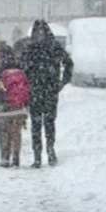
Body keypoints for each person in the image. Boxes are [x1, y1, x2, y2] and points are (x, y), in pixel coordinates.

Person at [22, 20, 74, 168]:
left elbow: (22, 68)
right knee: (45, 123)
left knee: (40, 124)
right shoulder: (53, 46)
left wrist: (62, 82)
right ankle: (46, 153)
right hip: (46, 90)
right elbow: (68, 63)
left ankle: (41, 155)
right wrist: (62, 81)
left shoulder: (30, 48)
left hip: (39, 90)